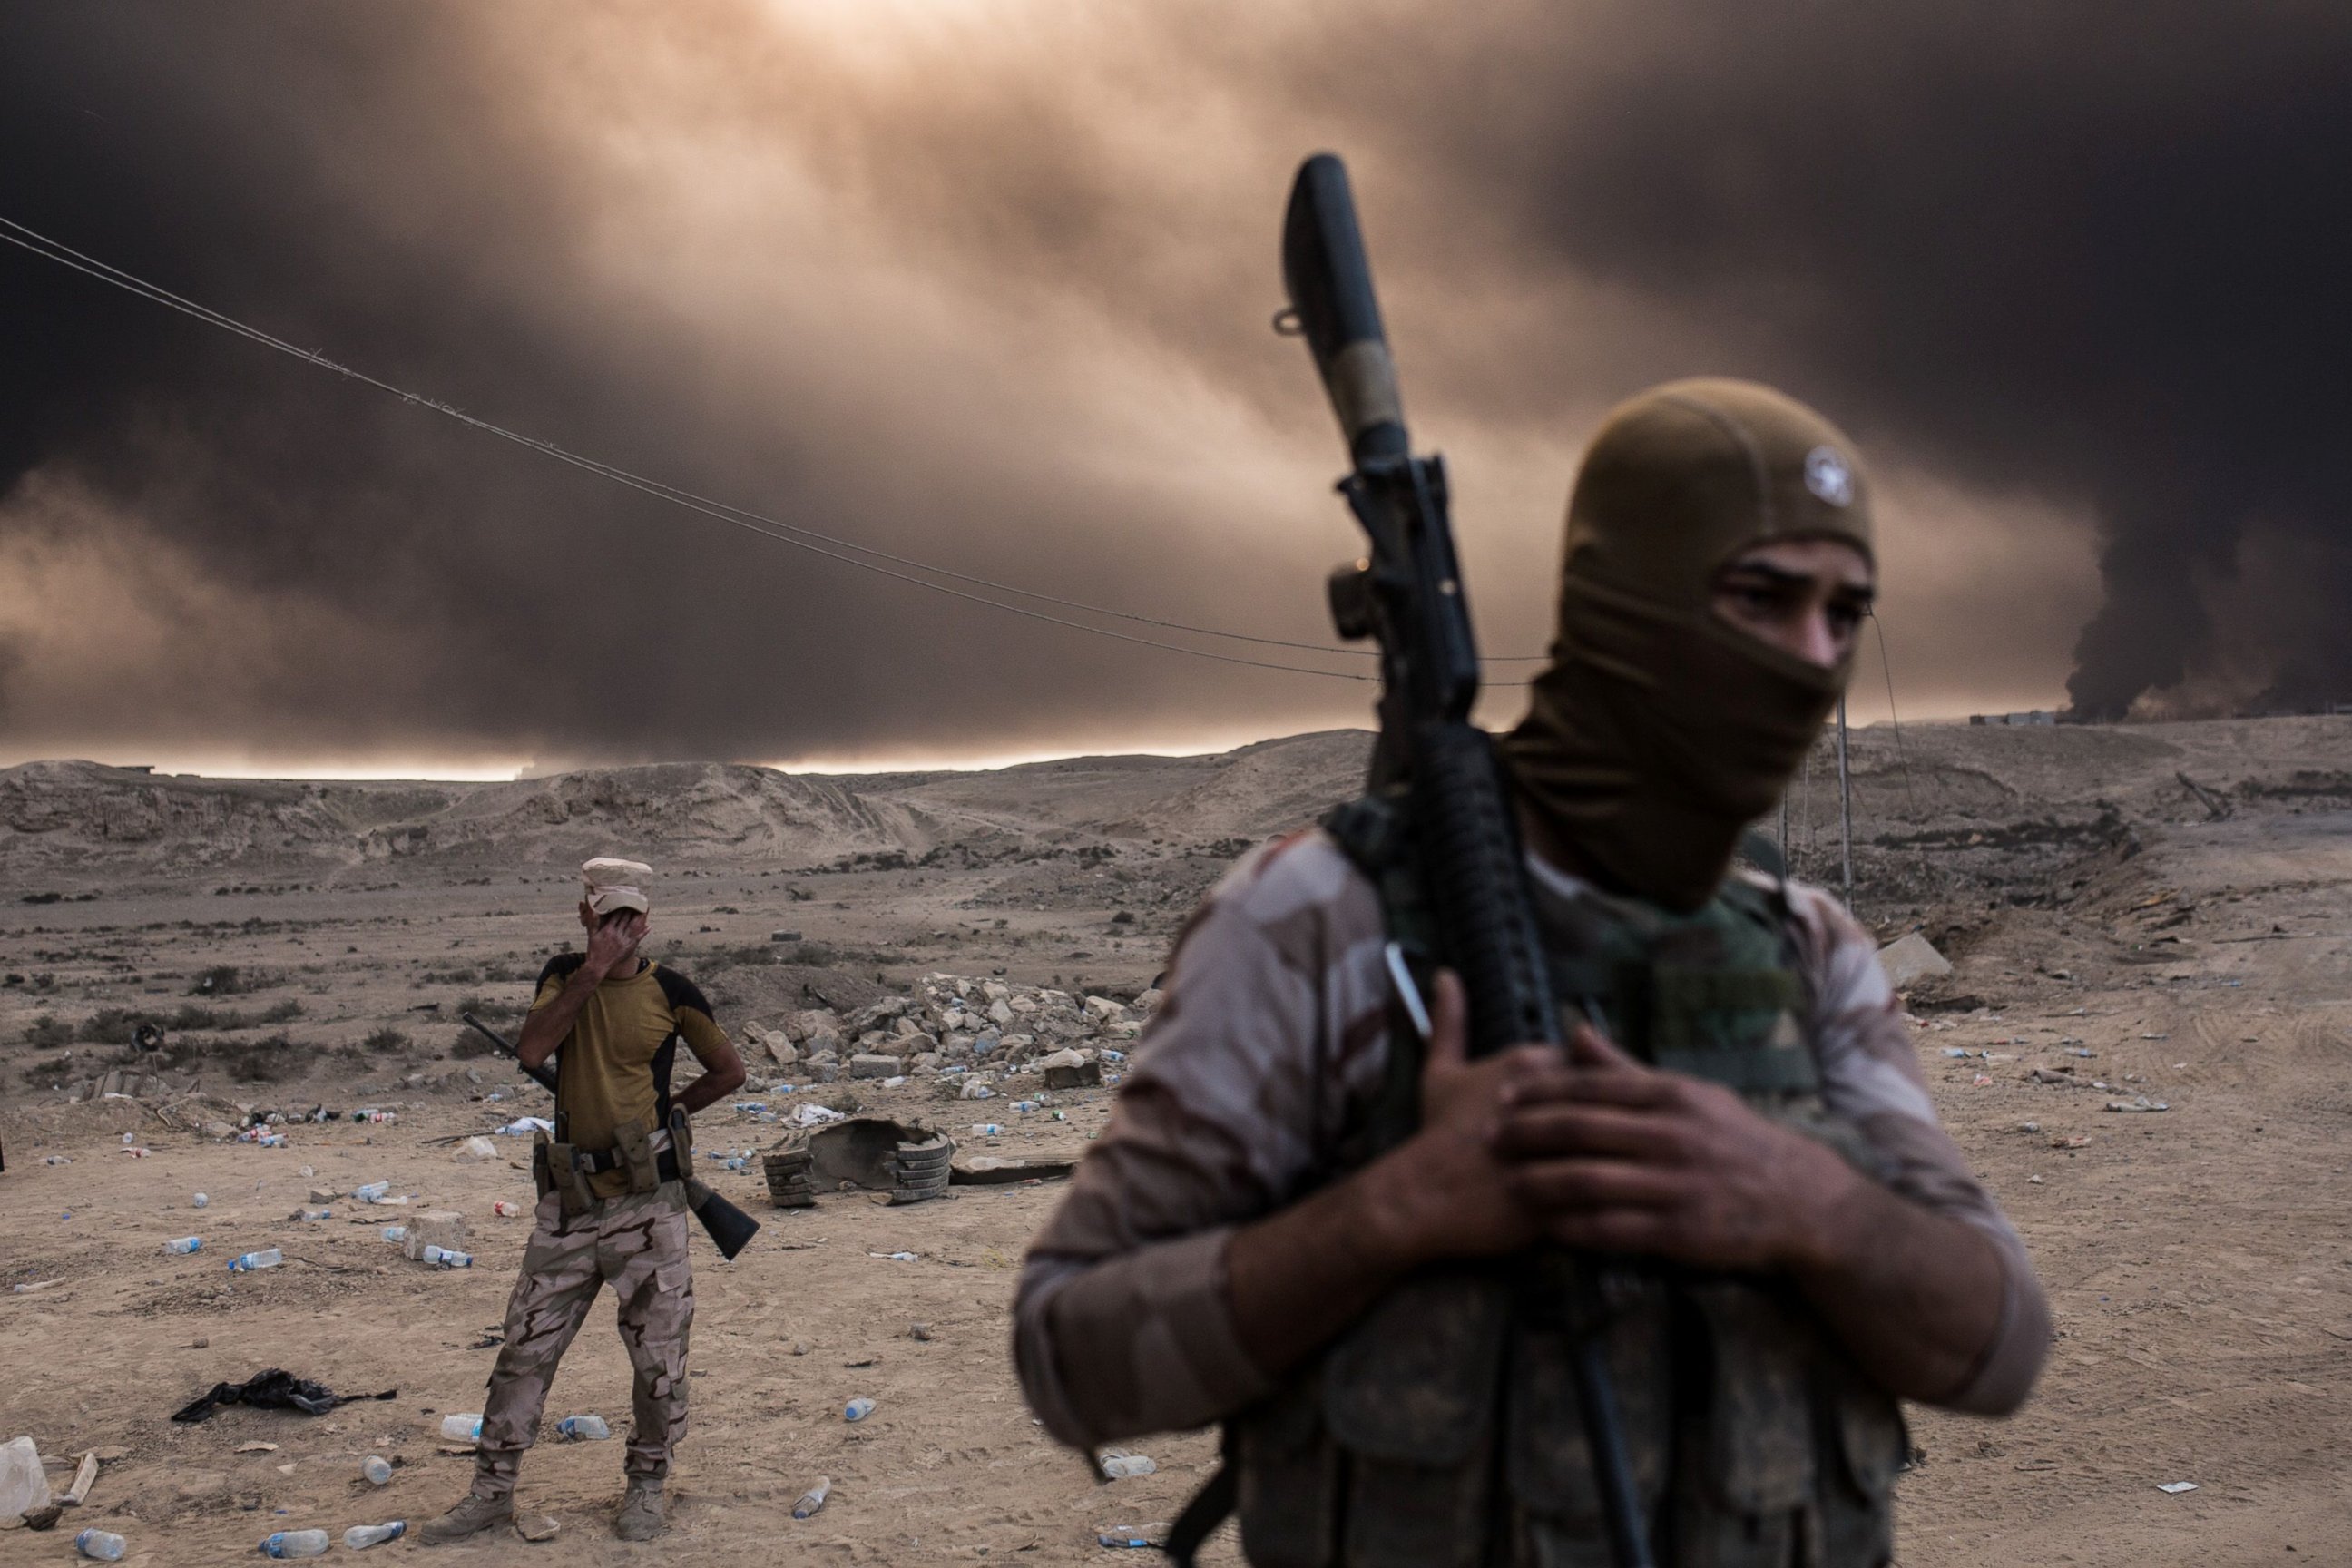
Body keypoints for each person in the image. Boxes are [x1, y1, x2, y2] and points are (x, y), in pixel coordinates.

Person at [1013, 380, 2050, 1566]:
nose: (1814, 658)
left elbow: (2002, 1343)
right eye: (1762, 598)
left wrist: (1807, 1203)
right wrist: (1395, 1212)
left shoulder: (1806, 946)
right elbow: (1067, 1355)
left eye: (1844, 614)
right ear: (1629, 600)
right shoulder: (1320, 919)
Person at [422, 856, 747, 1544]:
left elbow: (729, 1071)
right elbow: (534, 1048)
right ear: (586, 915)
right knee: (524, 1352)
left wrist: (673, 1118)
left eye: (630, 919)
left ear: (647, 921)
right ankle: (490, 1493)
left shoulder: (676, 992)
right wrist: (593, 971)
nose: (619, 930)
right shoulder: (564, 975)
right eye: (607, 918)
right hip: (569, 1205)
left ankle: (647, 1486)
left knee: (659, 1359)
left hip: (648, 1203)